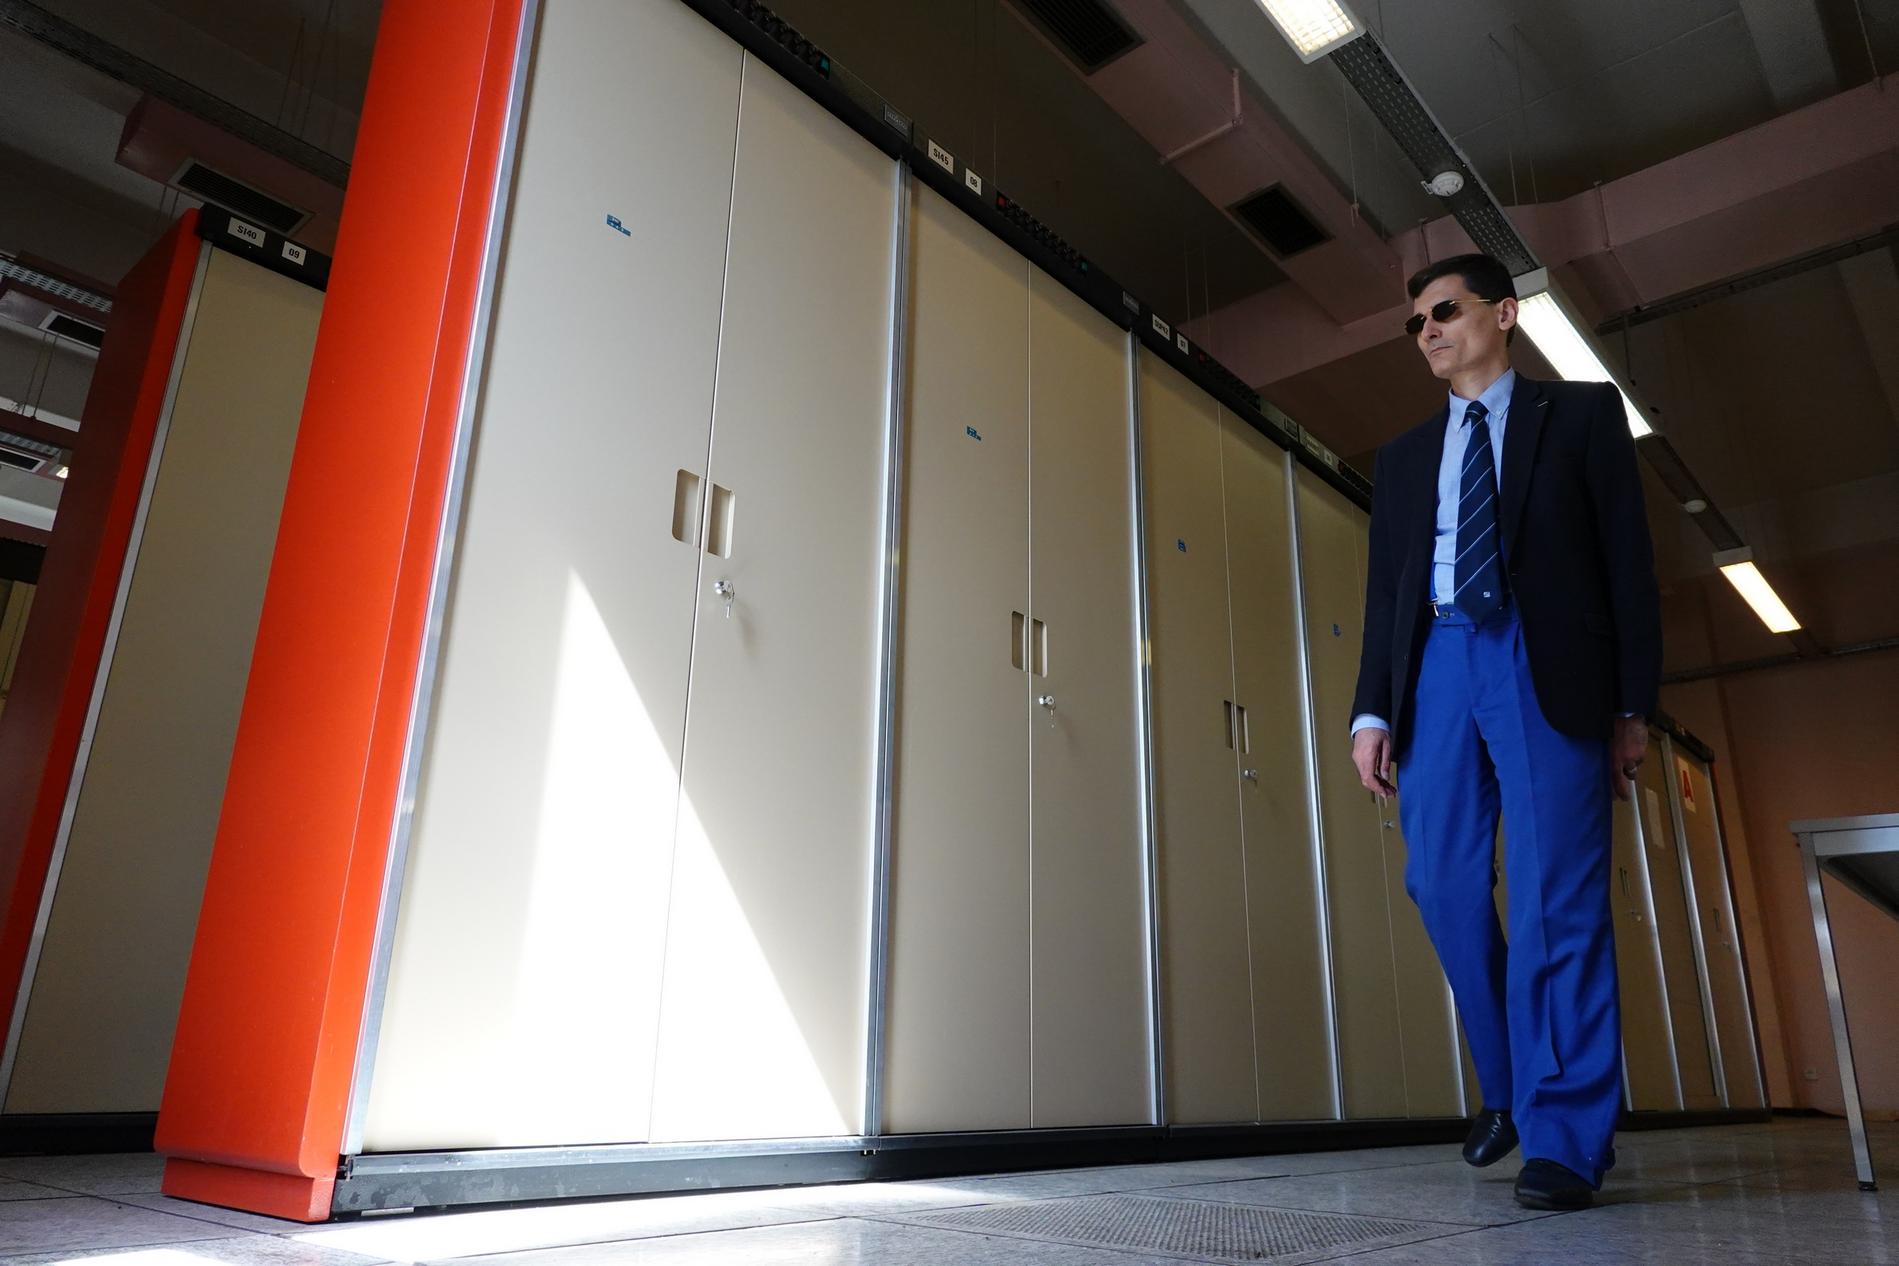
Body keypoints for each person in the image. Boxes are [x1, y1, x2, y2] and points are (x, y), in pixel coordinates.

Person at [1349, 253, 1661, 1211]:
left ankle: (1563, 1135)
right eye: (1415, 323)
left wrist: (1631, 705)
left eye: (1444, 310)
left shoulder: (1581, 416)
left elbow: (1625, 562)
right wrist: (1371, 710)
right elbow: (1386, 596)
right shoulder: (1405, 459)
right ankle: (1511, 1083)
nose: (1428, 331)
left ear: (1504, 314)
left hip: (1545, 658)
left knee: (1552, 894)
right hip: (1438, 661)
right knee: (1440, 883)